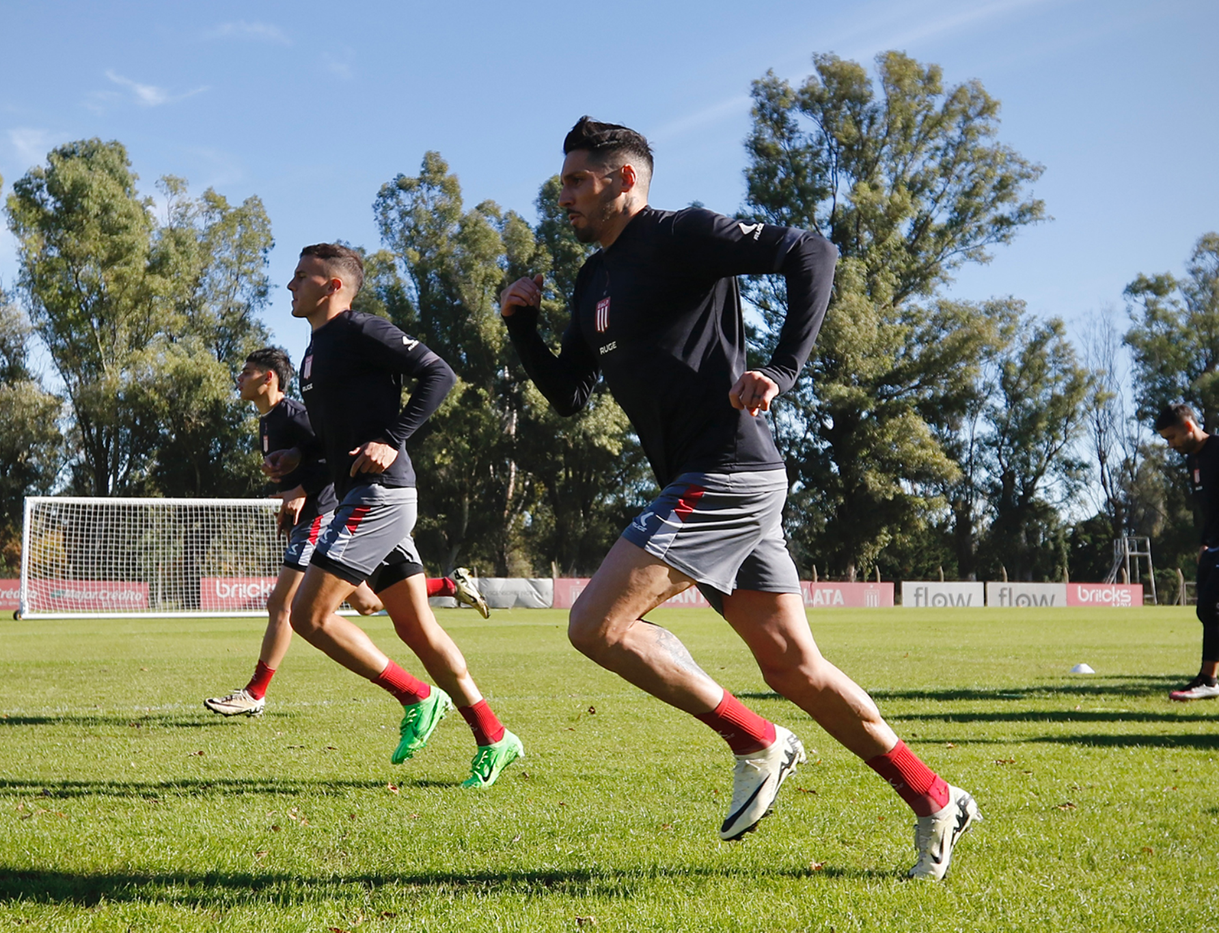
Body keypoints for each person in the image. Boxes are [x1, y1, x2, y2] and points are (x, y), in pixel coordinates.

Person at [500, 117, 978, 879]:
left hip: (726, 470)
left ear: (624, 179)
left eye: (576, 181)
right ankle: (934, 795)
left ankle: (756, 737)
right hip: (713, 479)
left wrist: (784, 368)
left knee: (594, 623)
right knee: (797, 668)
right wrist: (522, 327)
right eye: (563, 182)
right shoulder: (593, 280)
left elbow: (811, 252)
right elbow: (568, 392)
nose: (563, 197)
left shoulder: (680, 234)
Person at [276, 243, 522, 787]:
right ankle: (495, 737)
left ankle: (416, 697)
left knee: (307, 616)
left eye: (300, 277)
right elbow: (336, 430)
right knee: (414, 625)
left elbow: (439, 373)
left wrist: (390, 439)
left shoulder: (362, 330)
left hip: (379, 494)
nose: (289, 286)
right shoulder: (314, 352)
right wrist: (300, 461)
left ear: (331, 285)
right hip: (359, 496)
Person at [205, 348, 492, 718]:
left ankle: (255, 693)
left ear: (268, 378)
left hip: (324, 517)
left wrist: (300, 491)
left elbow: (334, 455)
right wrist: (289, 492)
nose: (238, 378)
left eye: (246, 371)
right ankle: (449, 586)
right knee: (367, 604)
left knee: (282, 605)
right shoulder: (267, 421)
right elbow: (308, 462)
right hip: (312, 518)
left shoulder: (294, 414)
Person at [1156, 402, 1219, 701]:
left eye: (1172, 437)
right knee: (1208, 611)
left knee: (1210, 606)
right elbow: (1207, 509)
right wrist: (1204, 543)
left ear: (1189, 426)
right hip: (1213, 545)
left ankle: (1208, 679)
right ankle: (1209, 678)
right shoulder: (1192, 461)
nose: (1170, 444)